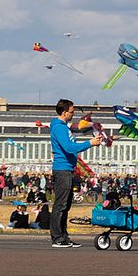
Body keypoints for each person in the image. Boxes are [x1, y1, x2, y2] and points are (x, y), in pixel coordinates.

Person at [49, 99, 101, 248]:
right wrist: (89, 143)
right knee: (61, 204)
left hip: (68, 169)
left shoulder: (64, 127)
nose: (73, 115)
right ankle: (57, 238)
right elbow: (69, 147)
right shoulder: (59, 128)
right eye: (71, 112)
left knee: (66, 205)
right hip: (62, 170)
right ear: (64, 112)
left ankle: (64, 237)